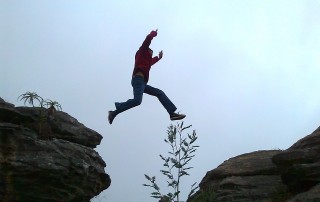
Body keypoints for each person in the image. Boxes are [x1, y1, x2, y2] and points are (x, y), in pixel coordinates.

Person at [108, 29, 186, 124]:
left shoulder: (146, 61)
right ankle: (118, 107)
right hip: (138, 79)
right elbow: (147, 40)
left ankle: (172, 113)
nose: (151, 54)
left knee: (159, 93)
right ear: (147, 51)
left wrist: (158, 58)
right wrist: (153, 34)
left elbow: (150, 62)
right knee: (137, 101)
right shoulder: (142, 51)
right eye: (150, 53)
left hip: (143, 83)